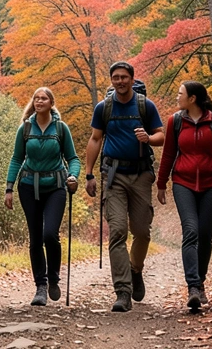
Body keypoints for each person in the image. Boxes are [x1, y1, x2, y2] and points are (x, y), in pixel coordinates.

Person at [84, 61, 164, 312]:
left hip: (141, 175)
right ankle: (122, 291)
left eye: (124, 77)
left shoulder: (145, 106)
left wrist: (148, 138)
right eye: (115, 77)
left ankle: (135, 269)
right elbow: (95, 139)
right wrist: (88, 174)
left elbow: (161, 136)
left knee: (142, 232)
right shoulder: (103, 108)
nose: (120, 81)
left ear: (132, 79)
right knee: (117, 231)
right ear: (111, 80)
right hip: (113, 176)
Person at [156, 80, 212, 312]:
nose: (177, 97)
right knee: (191, 230)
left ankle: (200, 282)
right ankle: (193, 287)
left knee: (205, 234)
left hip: (211, 184)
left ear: (192, 98)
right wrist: (161, 183)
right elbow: (168, 154)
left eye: (180, 93)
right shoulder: (175, 121)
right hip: (183, 183)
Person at [4, 87, 81, 307]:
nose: (39, 101)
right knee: (36, 237)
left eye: (44, 98)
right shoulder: (25, 128)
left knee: (50, 234)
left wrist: (73, 176)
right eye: (36, 98)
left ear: (51, 103)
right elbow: (17, 158)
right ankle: (41, 286)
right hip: (28, 186)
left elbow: (73, 158)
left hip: (56, 186)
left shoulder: (61, 128)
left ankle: (53, 277)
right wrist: (9, 188)